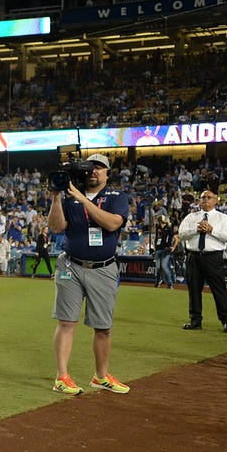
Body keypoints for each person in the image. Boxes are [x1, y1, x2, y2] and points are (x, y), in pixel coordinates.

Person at [47, 154, 131, 395]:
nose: (94, 171)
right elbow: (56, 227)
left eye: (100, 167)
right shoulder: (69, 196)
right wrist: (56, 196)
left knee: (103, 327)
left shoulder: (116, 197)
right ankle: (61, 376)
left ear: (107, 173)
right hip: (70, 266)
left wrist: (82, 199)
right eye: (91, 167)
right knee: (66, 322)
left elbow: (113, 224)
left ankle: (101, 376)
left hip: (103, 268)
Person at [178, 189, 227, 332]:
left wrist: (211, 230)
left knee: (219, 290)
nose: (205, 200)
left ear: (215, 200)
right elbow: (181, 234)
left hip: (213, 257)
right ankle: (195, 320)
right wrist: (196, 230)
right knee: (194, 290)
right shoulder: (191, 217)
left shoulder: (224, 218)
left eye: (209, 197)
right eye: (203, 197)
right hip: (193, 256)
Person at [151, 214, 176, 288]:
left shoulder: (168, 228)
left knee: (164, 267)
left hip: (166, 250)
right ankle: (157, 282)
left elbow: (176, 238)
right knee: (158, 267)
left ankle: (170, 284)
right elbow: (156, 238)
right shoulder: (158, 228)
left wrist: (173, 247)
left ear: (160, 221)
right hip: (158, 250)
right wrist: (154, 249)